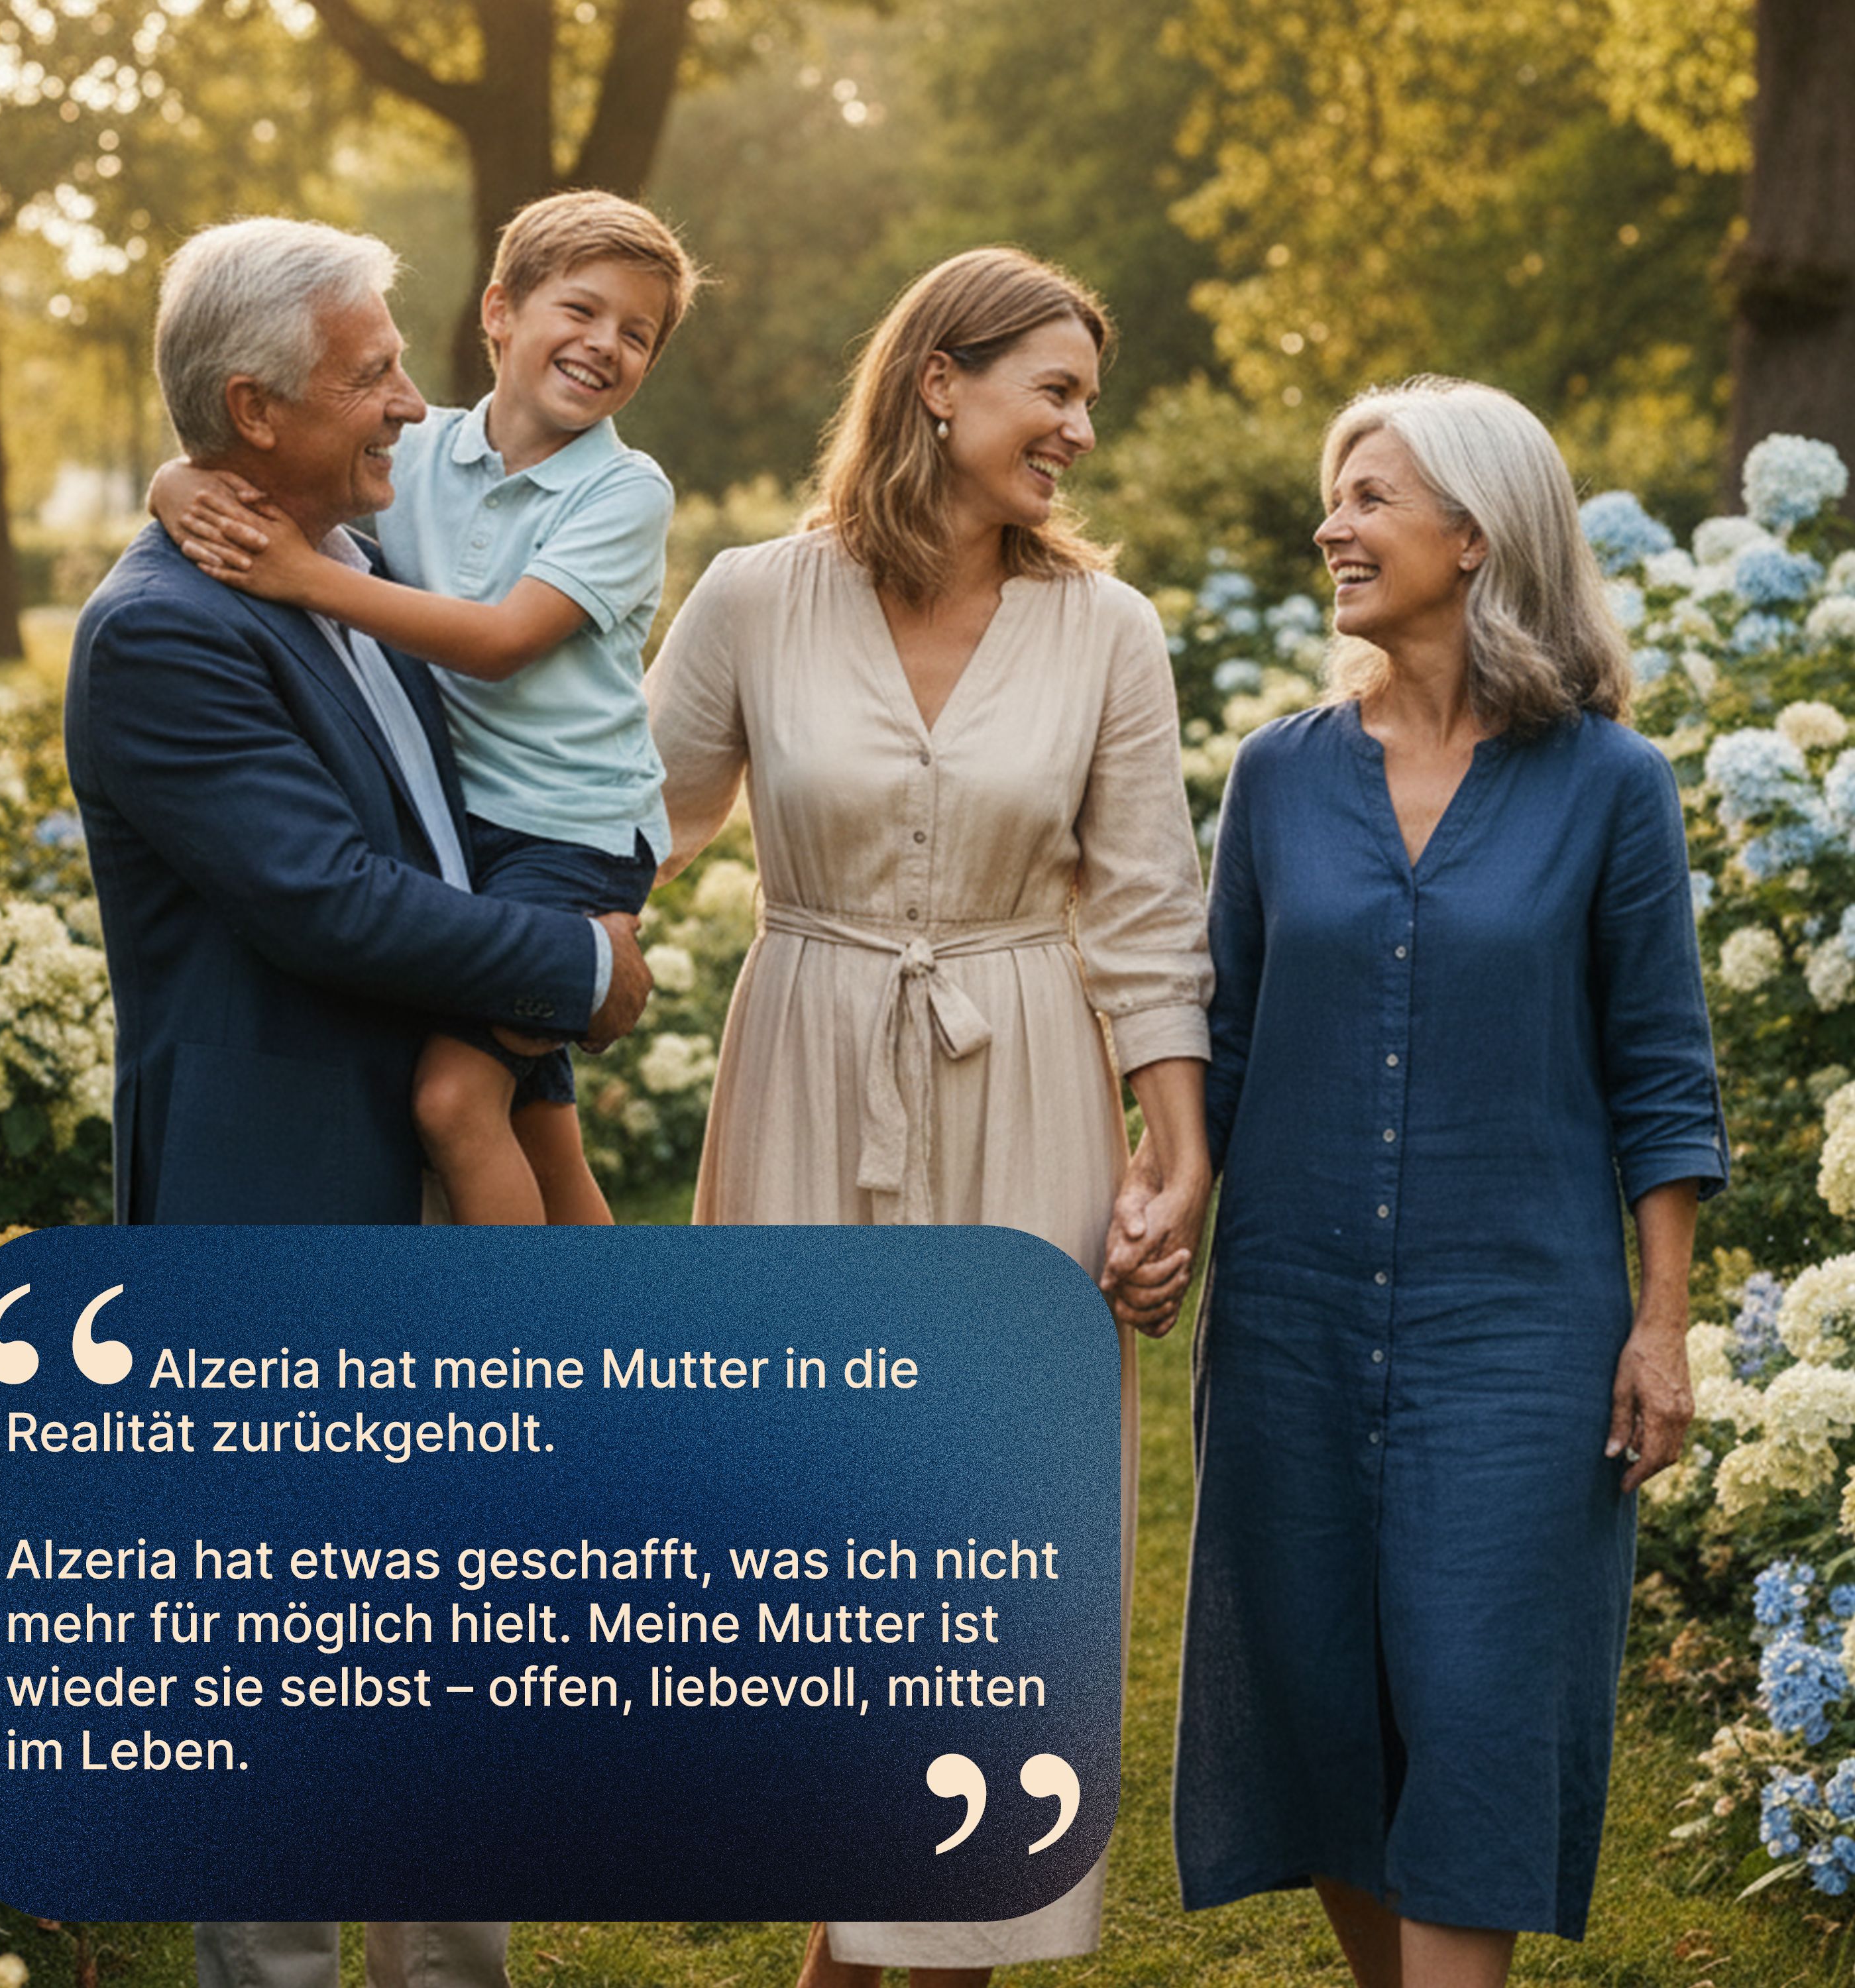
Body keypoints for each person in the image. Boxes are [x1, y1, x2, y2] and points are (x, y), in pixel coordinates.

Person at [65, 215, 651, 1988]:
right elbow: (330, 901)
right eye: (371, 370)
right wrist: (586, 977)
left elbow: (474, 809)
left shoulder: (336, 573)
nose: (412, 398)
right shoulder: (164, 637)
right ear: (256, 411)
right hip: (281, 1228)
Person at [645, 247, 1214, 1987]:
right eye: (1056, 390)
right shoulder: (753, 598)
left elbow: (1144, 906)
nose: (1082, 432)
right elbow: (614, 837)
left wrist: (1173, 1144)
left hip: (1021, 1087)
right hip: (810, 1071)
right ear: (938, 383)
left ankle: (928, 1941)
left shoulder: (1105, 628)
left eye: (1085, 400)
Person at [1162, 377, 1727, 1987]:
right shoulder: (1279, 777)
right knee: (1320, 1706)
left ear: (1476, 538)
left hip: (1522, 1325)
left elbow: (1663, 1074)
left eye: (1370, 498)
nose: (1331, 526)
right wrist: (1169, 1202)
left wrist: (1663, 1322)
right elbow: (1232, 1038)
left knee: (1480, 1705)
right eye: (1334, 496)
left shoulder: (1610, 785)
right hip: (1292, 1318)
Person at [151, 190, 699, 1227]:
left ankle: (521, 1352)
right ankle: (620, 1350)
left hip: (567, 834)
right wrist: (175, 484)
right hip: (468, 829)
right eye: (580, 311)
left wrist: (301, 578)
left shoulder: (626, 493)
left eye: (638, 335)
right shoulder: (422, 449)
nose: (605, 346)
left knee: (453, 1105)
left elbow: (500, 645)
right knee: (541, 1128)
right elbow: (266, 450)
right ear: (499, 312)